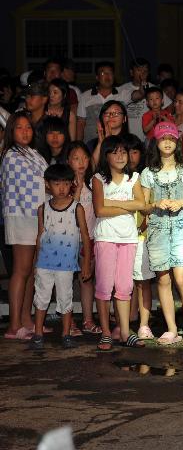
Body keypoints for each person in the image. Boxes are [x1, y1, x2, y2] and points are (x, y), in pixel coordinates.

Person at [141, 122, 183, 347]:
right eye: (162, 137)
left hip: (181, 231)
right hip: (156, 231)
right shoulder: (148, 173)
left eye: (171, 137)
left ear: (177, 141)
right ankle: (172, 329)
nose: (167, 141)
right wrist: (156, 203)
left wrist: (182, 203)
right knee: (163, 280)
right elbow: (143, 206)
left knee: (182, 278)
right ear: (156, 142)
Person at [29, 164, 93, 350]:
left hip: (66, 265)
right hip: (44, 263)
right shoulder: (43, 209)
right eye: (57, 183)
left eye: (66, 183)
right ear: (47, 184)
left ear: (71, 184)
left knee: (66, 298)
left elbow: (86, 239)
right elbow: (39, 236)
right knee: (41, 297)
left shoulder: (77, 208)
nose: (62, 188)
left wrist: (86, 264)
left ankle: (66, 333)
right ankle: (38, 333)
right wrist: (35, 263)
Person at [92, 135, 147, 350]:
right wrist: (127, 204)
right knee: (105, 287)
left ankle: (125, 332)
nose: (120, 155)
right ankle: (106, 332)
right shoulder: (98, 178)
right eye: (114, 152)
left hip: (128, 238)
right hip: (106, 237)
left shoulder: (133, 178)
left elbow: (141, 204)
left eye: (123, 151)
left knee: (125, 287)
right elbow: (100, 209)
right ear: (106, 156)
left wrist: (113, 202)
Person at [1, 113, 49, 340]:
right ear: (11, 131)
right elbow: (36, 183)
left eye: (28, 127)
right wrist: (56, 183)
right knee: (21, 270)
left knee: (31, 271)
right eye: (19, 127)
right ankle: (13, 326)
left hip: (35, 216)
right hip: (20, 216)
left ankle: (26, 319)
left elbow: (46, 178)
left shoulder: (33, 153)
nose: (25, 131)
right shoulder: (10, 155)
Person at [125, 134, 155, 340]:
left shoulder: (146, 176)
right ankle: (128, 318)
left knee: (142, 280)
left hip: (142, 236)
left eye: (135, 151)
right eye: (126, 152)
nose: (130, 156)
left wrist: (143, 223)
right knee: (126, 280)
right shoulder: (118, 177)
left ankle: (143, 323)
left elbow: (149, 207)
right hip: (122, 235)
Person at [68, 142, 99, 335]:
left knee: (87, 280)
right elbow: (71, 209)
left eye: (85, 158)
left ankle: (88, 320)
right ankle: (69, 321)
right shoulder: (65, 184)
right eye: (76, 158)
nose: (81, 162)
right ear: (68, 161)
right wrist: (77, 188)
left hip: (91, 238)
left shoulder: (93, 182)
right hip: (70, 239)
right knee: (67, 282)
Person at [77, 61, 124, 142]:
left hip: (116, 143)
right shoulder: (85, 96)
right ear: (97, 77)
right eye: (103, 73)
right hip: (90, 143)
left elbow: (138, 94)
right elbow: (81, 123)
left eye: (110, 73)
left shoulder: (122, 94)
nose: (107, 76)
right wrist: (78, 144)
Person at [89, 100, 130, 166]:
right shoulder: (92, 144)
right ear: (101, 118)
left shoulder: (130, 142)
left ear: (124, 119)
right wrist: (101, 144)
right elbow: (92, 169)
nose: (111, 116)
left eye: (116, 113)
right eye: (107, 113)